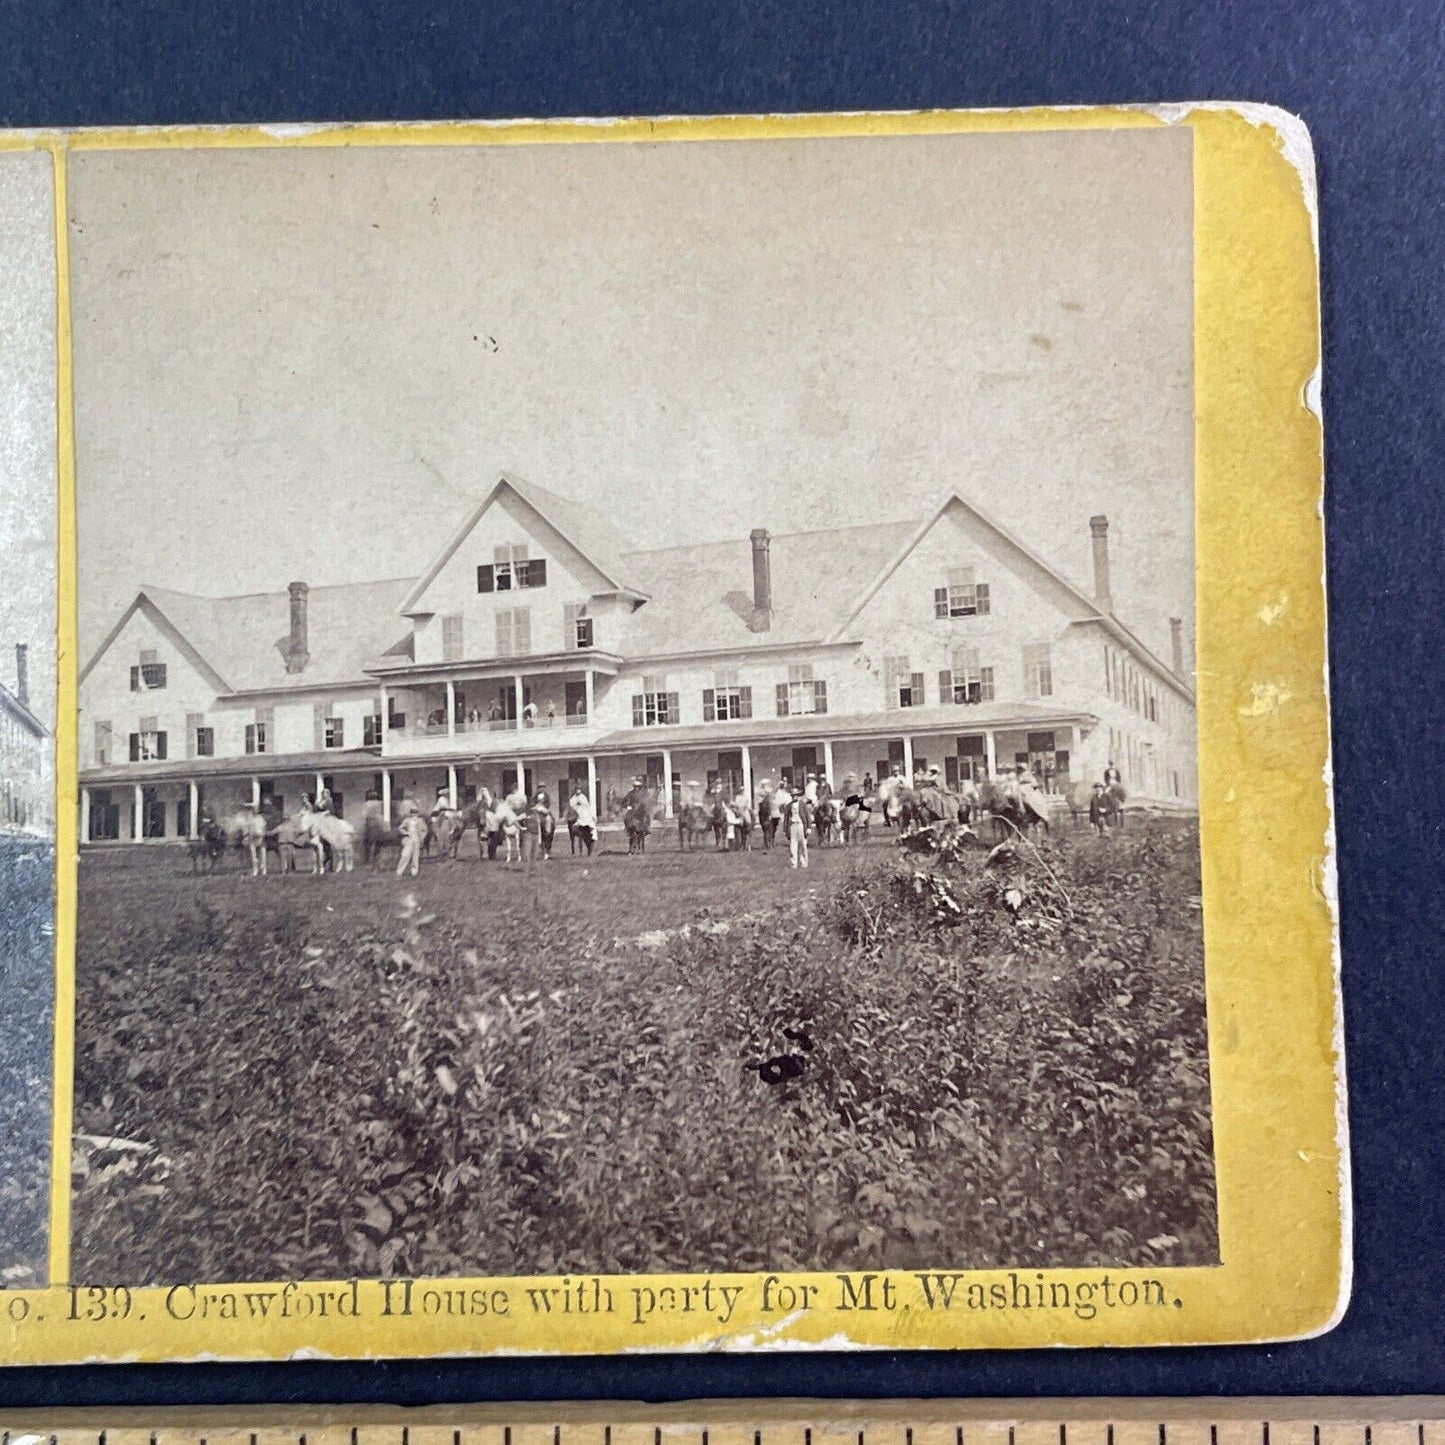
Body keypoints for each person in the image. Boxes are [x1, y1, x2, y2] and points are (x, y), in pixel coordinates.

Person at [396, 808, 427, 877]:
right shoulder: (407, 820)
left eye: (415, 813)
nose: (414, 814)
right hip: (409, 839)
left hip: (417, 839)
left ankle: (414, 872)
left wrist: (422, 837)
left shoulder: (420, 821)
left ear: (417, 813)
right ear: (410, 814)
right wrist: (406, 833)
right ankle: (399, 872)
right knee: (405, 855)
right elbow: (400, 828)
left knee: (415, 857)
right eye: (412, 813)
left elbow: (424, 830)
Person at [785, 789, 811, 869]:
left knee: (803, 844)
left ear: (798, 796)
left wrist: (808, 827)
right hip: (793, 825)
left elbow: (807, 816)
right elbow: (786, 818)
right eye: (792, 795)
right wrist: (785, 830)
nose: (794, 797)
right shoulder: (789, 806)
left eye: (796, 795)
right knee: (793, 844)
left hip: (801, 825)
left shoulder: (802, 804)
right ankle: (794, 863)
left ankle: (804, 862)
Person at [569, 786, 596, 855]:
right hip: (577, 814)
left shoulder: (583, 797)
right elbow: (571, 805)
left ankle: (589, 847)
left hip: (584, 814)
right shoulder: (573, 798)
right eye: (577, 790)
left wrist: (591, 815)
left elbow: (587, 806)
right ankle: (574, 851)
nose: (578, 791)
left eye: (579, 789)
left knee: (588, 829)